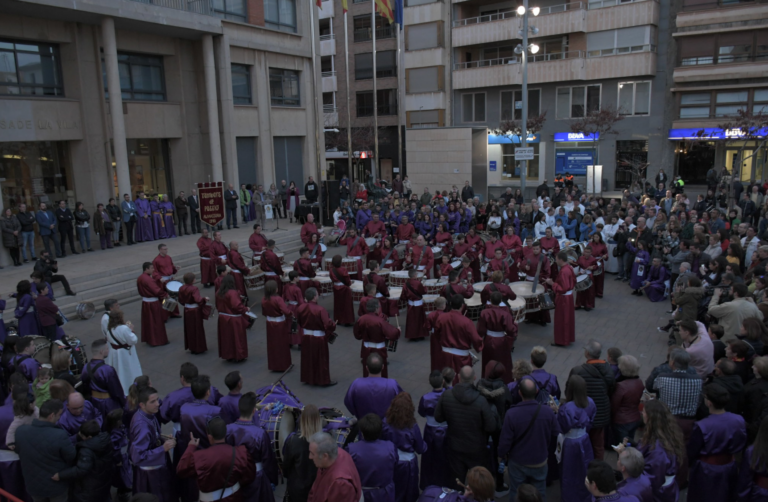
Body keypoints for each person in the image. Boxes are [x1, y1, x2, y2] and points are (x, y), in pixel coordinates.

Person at [434, 366, 499, 489]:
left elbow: (438, 417)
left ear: (458, 377)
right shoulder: (481, 401)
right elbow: (491, 427)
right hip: (476, 448)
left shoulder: (446, 395)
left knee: (457, 481)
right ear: (474, 378)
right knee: (477, 483)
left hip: (455, 446)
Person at [498, 378, 560, 498]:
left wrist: (501, 454)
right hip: (540, 461)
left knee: (516, 492)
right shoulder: (547, 412)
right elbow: (556, 432)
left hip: (517, 462)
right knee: (540, 492)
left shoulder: (511, 414)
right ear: (537, 391)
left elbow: (505, 441)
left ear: (520, 393)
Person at [687, 383, 747, 502]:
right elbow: (741, 440)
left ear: (709, 402)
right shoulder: (738, 420)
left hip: (707, 470)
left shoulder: (702, 426)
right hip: (729, 467)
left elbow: (692, 451)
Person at [177, 416, 255, 502]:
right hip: (234, 497)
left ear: (209, 436)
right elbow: (249, 476)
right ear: (225, 433)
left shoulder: (198, 457)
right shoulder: (240, 452)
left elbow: (181, 470)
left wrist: (191, 447)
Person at [15, 399, 75, 502]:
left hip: (33, 485)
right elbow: (72, 457)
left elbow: (19, 451)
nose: (59, 418)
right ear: (52, 416)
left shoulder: (20, 431)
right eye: (59, 415)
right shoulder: (59, 435)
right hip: (56, 487)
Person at [225, 392, 278, 502]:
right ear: (254, 410)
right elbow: (268, 460)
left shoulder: (228, 429)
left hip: (235, 475)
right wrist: (273, 479)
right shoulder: (260, 433)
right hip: (256, 477)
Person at [568, 340, 615, 460]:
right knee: (598, 444)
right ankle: (598, 467)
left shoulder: (578, 371)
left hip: (582, 412)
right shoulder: (609, 370)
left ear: (587, 353)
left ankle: (582, 464)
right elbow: (611, 389)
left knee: (581, 440)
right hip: (601, 413)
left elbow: (569, 391)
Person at [557, 375, 596, 502]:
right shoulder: (590, 402)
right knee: (584, 470)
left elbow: (562, 428)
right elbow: (590, 423)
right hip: (584, 439)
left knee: (569, 473)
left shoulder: (566, 408)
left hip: (570, 443)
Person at [55, 419, 114, 502]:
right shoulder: (105, 440)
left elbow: (81, 469)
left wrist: (61, 475)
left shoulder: (86, 451)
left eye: (81, 435)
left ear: (89, 437)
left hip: (88, 487)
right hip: (103, 481)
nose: (79, 435)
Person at [382, 392, 426, 502]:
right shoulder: (413, 426)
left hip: (391, 461)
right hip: (408, 464)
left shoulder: (385, 422)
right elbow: (420, 449)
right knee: (409, 493)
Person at [348, 413, 397, 502]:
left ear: (362, 432)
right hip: (384, 494)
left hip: (362, 494)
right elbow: (395, 464)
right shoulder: (390, 447)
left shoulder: (352, 449)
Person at [435, 295, 484, 378]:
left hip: (445, 354)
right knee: (462, 378)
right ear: (462, 305)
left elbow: (437, 334)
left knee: (446, 377)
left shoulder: (441, 317)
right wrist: (479, 347)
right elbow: (476, 339)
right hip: (461, 358)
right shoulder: (467, 322)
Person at [297, 288, 337, 386]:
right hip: (318, 338)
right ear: (315, 297)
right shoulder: (320, 309)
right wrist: (334, 325)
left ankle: (308, 378)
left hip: (306, 336)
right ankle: (323, 380)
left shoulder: (300, 307)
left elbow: (299, 321)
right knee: (321, 359)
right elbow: (327, 324)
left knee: (307, 357)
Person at [344, 353, 403, 419]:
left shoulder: (356, 384)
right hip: (386, 425)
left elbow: (348, 402)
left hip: (364, 424)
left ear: (366, 368)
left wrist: (358, 413)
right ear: (383, 367)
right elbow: (402, 402)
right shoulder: (392, 384)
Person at [307, 431, 362, 502]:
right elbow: (314, 489)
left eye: (312, 454)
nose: (310, 457)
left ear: (325, 456)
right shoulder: (334, 453)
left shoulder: (340, 483)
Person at [418, 371, 450, 490]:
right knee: (445, 457)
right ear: (443, 381)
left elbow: (421, 413)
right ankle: (446, 483)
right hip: (446, 430)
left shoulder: (426, 398)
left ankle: (428, 483)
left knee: (429, 458)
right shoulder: (449, 394)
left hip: (431, 431)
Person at [283, 404, 322, 502]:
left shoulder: (293, 441)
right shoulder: (325, 441)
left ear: (302, 420)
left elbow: (286, 467)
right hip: (317, 487)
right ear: (318, 421)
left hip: (297, 489)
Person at [353, 300, 401, 377]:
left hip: (366, 348)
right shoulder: (380, 321)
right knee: (381, 372)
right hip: (379, 350)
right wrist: (398, 330)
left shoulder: (361, 319)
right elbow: (392, 334)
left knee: (367, 369)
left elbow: (357, 335)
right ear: (376, 308)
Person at [80, 339, 126, 418]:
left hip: (94, 402)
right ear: (101, 351)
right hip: (109, 404)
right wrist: (124, 404)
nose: (108, 350)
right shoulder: (108, 370)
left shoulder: (85, 367)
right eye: (107, 349)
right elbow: (117, 391)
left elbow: (85, 385)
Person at [477, 292, 516, 384]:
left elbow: (480, 330)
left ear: (490, 300)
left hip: (488, 340)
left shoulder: (484, 312)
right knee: (503, 361)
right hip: (501, 341)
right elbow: (511, 330)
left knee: (488, 360)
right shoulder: (505, 314)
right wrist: (515, 327)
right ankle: (504, 380)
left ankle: (487, 379)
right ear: (500, 301)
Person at [104, 311, 142, 395]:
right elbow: (133, 340)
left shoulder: (109, 329)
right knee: (129, 369)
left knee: (120, 371)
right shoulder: (124, 328)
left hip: (116, 353)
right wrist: (131, 330)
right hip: (126, 353)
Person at [216, 275, 250, 362]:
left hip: (223, 317)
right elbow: (237, 306)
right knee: (237, 337)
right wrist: (245, 309)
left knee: (226, 337)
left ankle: (228, 355)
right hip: (234, 319)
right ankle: (239, 355)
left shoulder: (218, 292)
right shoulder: (232, 292)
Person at [611, 355, 644, 444]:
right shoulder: (639, 382)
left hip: (622, 421)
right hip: (635, 417)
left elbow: (614, 405)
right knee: (630, 441)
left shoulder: (621, 386)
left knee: (622, 446)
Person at [262, 279, 293, 371]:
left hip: (269, 323)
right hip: (279, 324)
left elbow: (264, 312)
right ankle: (283, 365)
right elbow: (286, 311)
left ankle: (274, 365)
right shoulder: (278, 299)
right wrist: (291, 313)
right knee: (282, 344)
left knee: (272, 344)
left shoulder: (264, 299)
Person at [136, 262, 169, 347]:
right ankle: (158, 340)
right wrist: (165, 295)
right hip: (153, 303)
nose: (153, 269)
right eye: (151, 268)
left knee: (148, 321)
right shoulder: (149, 279)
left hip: (145, 302)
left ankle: (149, 339)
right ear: (146, 269)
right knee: (157, 321)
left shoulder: (140, 277)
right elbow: (157, 291)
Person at [178, 272, 210, 355]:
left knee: (189, 328)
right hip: (195, 310)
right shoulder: (194, 288)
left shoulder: (181, 288)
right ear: (192, 280)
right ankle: (199, 347)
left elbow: (180, 300)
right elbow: (198, 299)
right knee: (197, 328)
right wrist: (204, 299)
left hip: (187, 309)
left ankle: (192, 347)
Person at [329, 255, 355, 326]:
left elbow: (332, 278)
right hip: (344, 288)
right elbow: (347, 279)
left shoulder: (331, 270)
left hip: (336, 287)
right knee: (347, 304)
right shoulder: (343, 269)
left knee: (338, 304)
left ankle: (338, 319)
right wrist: (349, 283)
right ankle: (347, 320)